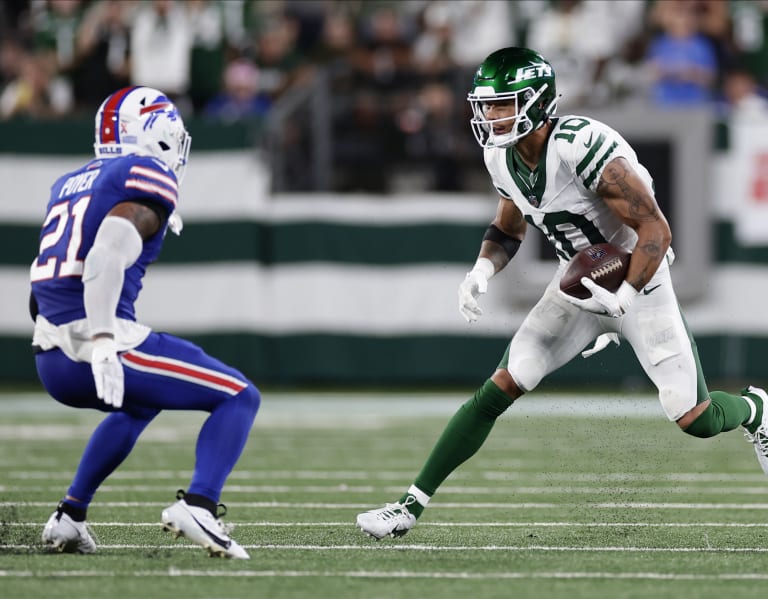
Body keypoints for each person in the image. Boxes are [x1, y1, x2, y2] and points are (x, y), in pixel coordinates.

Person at [356, 47, 768, 540]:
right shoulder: (501, 157)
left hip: (640, 275)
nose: (491, 115)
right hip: (576, 282)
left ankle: (757, 408)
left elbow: (656, 229)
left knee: (694, 417)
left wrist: (628, 293)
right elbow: (508, 228)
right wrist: (482, 268)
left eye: (504, 104)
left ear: (537, 101)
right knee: (505, 383)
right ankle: (407, 507)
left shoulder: (583, 144)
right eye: (486, 105)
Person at [30, 86, 261, 558]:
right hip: (93, 340)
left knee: (140, 405)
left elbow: (45, 284)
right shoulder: (143, 173)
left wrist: (69, 336)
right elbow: (106, 252)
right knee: (238, 395)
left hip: (49, 354)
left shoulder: (71, 182)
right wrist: (101, 341)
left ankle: (70, 514)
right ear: (154, 134)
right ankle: (199, 505)